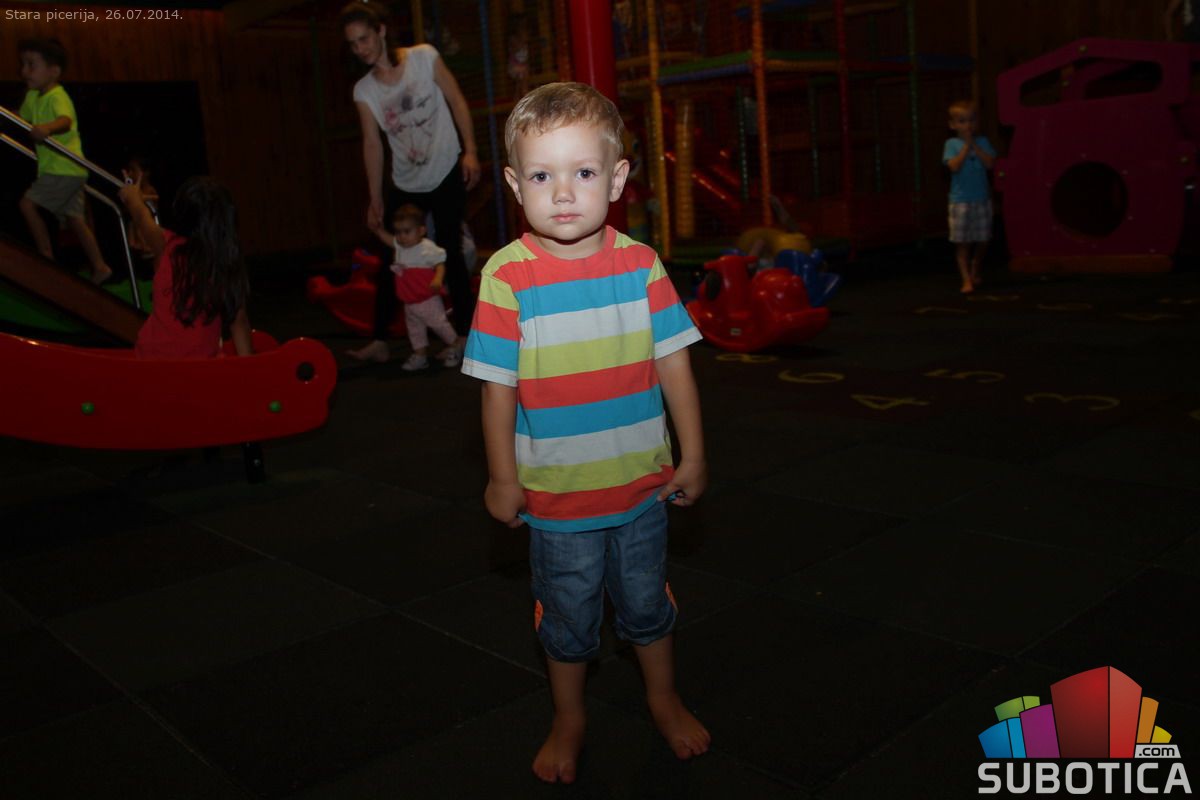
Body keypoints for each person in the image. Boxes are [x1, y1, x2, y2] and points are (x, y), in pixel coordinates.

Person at [462, 82, 711, 784]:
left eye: (584, 172)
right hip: (558, 499)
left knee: (646, 604)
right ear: (516, 185)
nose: (564, 193)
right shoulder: (506, 276)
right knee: (568, 619)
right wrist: (503, 476)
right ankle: (569, 716)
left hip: (642, 489)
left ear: (618, 178)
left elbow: (675, 365)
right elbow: (497, 388)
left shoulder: (641, 266)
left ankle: (662, 697)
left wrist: (694, 454)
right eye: (542, 177)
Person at [340, 1, 479, 364]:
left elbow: (456, 100)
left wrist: (471, 151)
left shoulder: (424, 57)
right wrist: (375, 197)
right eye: (353, 44)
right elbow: (372, 144)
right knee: (393, 257)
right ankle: (380, 339)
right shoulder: (364, 90)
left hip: (445, 168)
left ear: (382, 31)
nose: (360, 48)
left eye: (364, 39)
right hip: (406, 180)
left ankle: (465, 334)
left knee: (449, 249)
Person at [118, 176, 252, 359]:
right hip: (197, 362)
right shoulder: (224, 264)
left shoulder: (166, 245)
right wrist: (248, 369)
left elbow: (142, 216)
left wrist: (132, 195)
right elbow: (239, 323)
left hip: (153, 359)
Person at [16, 38, 112, 284]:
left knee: (28, 205)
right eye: (23, 64)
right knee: (75, 219)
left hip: (63, 169)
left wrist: (47, 128)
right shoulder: (33, 96)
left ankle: (46, 255)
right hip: (66, 170)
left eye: (31, 65)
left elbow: (65, 121)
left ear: (54, 71)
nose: (24, 71)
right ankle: (100, 266)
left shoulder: (58, 95)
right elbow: (20, 119)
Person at [370, 203, 460, 371]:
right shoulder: (400, 247)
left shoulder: (427, 248)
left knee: (439, 324)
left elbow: (440, 264)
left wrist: (438, 278)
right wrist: (378, 230)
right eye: (398, 232)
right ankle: (420, 355)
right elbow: (389, 240)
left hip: (427, 297)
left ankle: (456, 346)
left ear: (421, 230)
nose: (402, 237)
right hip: (409, 299)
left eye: (407, 231)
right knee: (415, 329)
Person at [943, 99, 996, 294]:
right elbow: (954, 166)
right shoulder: (951, 144)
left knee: (983, 239)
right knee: (962, 242)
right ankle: (966, 279)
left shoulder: (983, 142)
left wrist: (974, 144)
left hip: (981, 198)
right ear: (953, 125)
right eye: (962, 121)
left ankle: (976, 264)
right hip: (960, 201)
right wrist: (966, 146)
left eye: (971, 120)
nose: (968, 125)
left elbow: (989, 164)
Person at [123, 154, 160, 260]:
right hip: (135, 226)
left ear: (146, 173)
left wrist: (141, 198)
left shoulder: (149, 189)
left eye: (133, 170)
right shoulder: (134, 191)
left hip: (146, 227)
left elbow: (155, 201)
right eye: (129, 170)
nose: (130, 174)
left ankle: (145, 245)